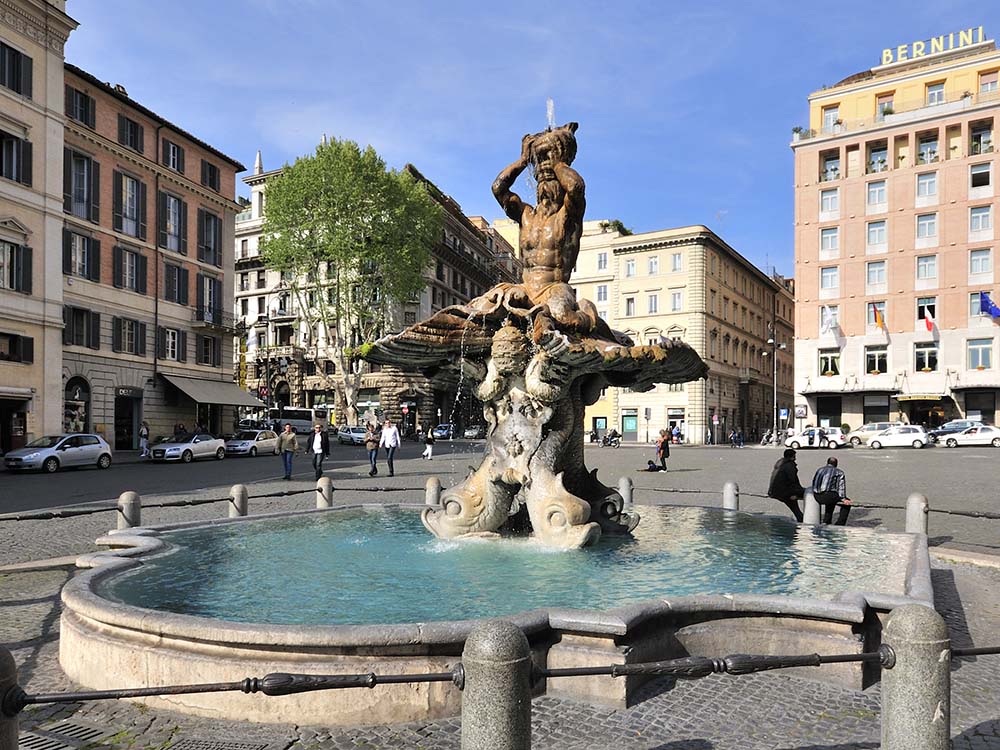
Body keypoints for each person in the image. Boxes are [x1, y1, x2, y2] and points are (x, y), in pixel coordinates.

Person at [811, 456, 852, 526]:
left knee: (831, 498)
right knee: (846, 503)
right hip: (828, 496)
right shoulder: (839, 472)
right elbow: (841, 487)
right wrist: (843, 499)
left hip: (817, 496)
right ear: (836, 464)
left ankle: (827, 521)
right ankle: (840, 523)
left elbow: (814, 482)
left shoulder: (819, 470)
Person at [768, 448, 805, 522]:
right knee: (808, 493)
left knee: (795, 509)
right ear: (792, 457)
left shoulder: (780, 464)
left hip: (774, 491)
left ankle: (801, 517)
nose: (795, 458)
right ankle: (804, 519)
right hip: (784, 492)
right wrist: (795, 493)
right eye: (794, 456)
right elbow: (792, 481)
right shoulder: (789, 466)